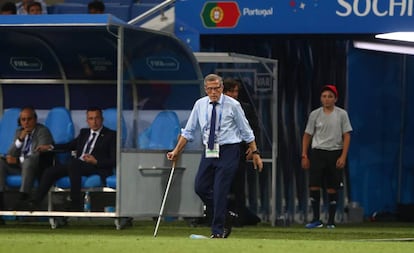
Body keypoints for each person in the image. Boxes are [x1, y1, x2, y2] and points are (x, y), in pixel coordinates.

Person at [167, 74, 263, 238]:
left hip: (229, 150)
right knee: (200, 187)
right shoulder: (200, 104)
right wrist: (176, 151)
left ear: (221, 88)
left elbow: (246, 130)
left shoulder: (233, 105)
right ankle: (226, 214)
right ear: (205, 89)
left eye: (217, 88)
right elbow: (188, 131)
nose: (213, 92)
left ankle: (217, 231)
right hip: (209, 150)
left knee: (220, 190)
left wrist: (255, 152)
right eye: (210, 89)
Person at [30, 107, 116, 211]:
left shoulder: (111, 135)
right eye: (91, 118)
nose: (94, 122)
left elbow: (113, 160)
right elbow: (69, 146)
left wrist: (96, 161)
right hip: (77, 165)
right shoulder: (84, 133)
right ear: (87, 120)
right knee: (50, 171)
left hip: (95, 167)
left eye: (97, 118)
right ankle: (35, 202)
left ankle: (75, 203)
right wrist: (50, 147)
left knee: (74, 164)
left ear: (102, 119)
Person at [301, 85, 352, 229]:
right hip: (318, 152)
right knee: (314, 185)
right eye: (324, 96)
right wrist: (304, 154)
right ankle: (316, 219)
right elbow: (307, 135)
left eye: (330, 96)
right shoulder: (315, 114)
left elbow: (347, 135)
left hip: (335, 152)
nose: (327, 99)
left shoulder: (342, 114)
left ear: (335, 98)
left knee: (332, 188)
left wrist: (343, 156)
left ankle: (331, 221)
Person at [223, 78, 261, 226]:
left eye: (236, 91)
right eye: (231, 91)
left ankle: (239, 217)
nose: (234, 94)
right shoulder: (216, 108)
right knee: (220, 186)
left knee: (239, 186)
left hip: (239, 151)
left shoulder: (245, 107)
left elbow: (253, 129)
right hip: (220, 152)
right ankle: (220, 215)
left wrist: (253, 149)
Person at [0, 106, 53, 210]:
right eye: (23, 120)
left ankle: (23, 197)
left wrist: (18, 160)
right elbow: (10, 154)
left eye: (29, 119)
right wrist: (20, 139)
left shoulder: (42, 131)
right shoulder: (19, 132)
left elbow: (38, 155)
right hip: (19, 167)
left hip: (36, 167)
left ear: (35, 119)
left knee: (28, 161)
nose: (26, 122)